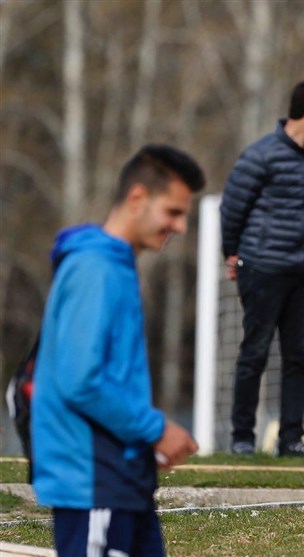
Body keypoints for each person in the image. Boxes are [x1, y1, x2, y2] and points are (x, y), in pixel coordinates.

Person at [31, 145, 204, 556]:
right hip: (94, 484)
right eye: (173, 212)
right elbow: (80, 380)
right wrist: (156, 429)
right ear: (137, 198)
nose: (179, 227)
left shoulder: (116, 265)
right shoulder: (95, 268)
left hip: (122, 480)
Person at [221, 78, 304, 457]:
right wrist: (231, 253)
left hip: (300, 272)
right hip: (262, 269)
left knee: (300, 356)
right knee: (254, 353)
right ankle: (241, 437)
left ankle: (291, 438)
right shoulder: (261, 155)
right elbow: (232, 207)